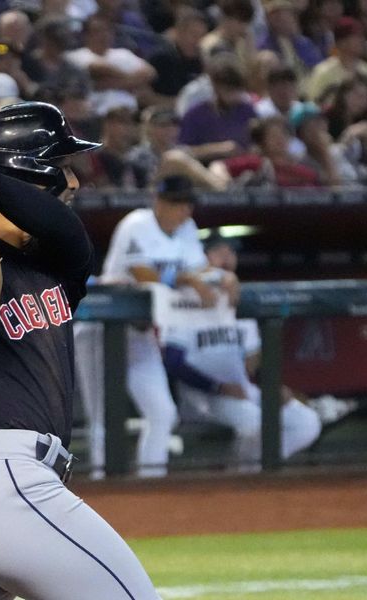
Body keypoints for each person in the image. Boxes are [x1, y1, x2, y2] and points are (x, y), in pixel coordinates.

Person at [0, 102, 161, 599]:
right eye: (62, 166)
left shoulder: (58, 259)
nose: (75, 183)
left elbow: (62, 228)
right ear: (33, 170)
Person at [164, 233, 322, 469]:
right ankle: (243, 474)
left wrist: (273, 389)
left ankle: (252, 469)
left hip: (240, 391)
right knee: (254, 420)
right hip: (201, 396)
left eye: (231, 253)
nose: (227, 258)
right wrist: (217, 386)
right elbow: (172, 361)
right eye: (219, 252)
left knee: (306, 421)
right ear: (203, 258)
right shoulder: (184, 302)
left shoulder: (237, 304)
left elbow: (253, 364)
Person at [99, 175, 222, 478]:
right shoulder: (136, 224)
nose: (184, 211)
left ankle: (150, 486)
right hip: (103, 328)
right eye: (177, 203)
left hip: (141, 334)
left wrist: (222, 277)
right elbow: (145, 277)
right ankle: (99, 490)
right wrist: (190, 279)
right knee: (102, 416)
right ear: (159, 202)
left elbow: (201, 270)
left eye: (187, 204)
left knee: (163, 412)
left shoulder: (187, 229)